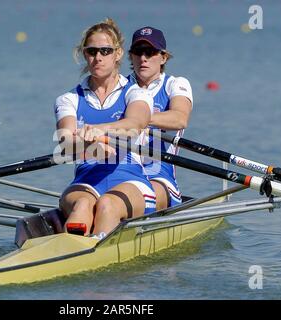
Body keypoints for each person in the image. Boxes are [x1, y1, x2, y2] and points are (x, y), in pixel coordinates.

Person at [54, 18, 156, 239]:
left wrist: (99, 130)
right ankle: (69, 254)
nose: (98, 57)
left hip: (131, 180)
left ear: (118, 54)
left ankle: (96, 261)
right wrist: (87, 143)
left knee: (107, 205)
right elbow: (65, 145)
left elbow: (135, 124)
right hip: (86, 181)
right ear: (84, 54)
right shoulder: (68, 99)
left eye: (105, 50)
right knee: (82, 205)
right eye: (91, 51)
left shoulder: (136, 93)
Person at [128, 26, 193, 210]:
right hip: (122, 172)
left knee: (135, 194)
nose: (143, 58)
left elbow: (180, 118)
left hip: (159, 177)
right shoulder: (119, 87)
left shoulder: (175, 84)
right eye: (138, 52)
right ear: (130, 56)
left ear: (163, 57)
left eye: (150, 52)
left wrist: (137, 119)